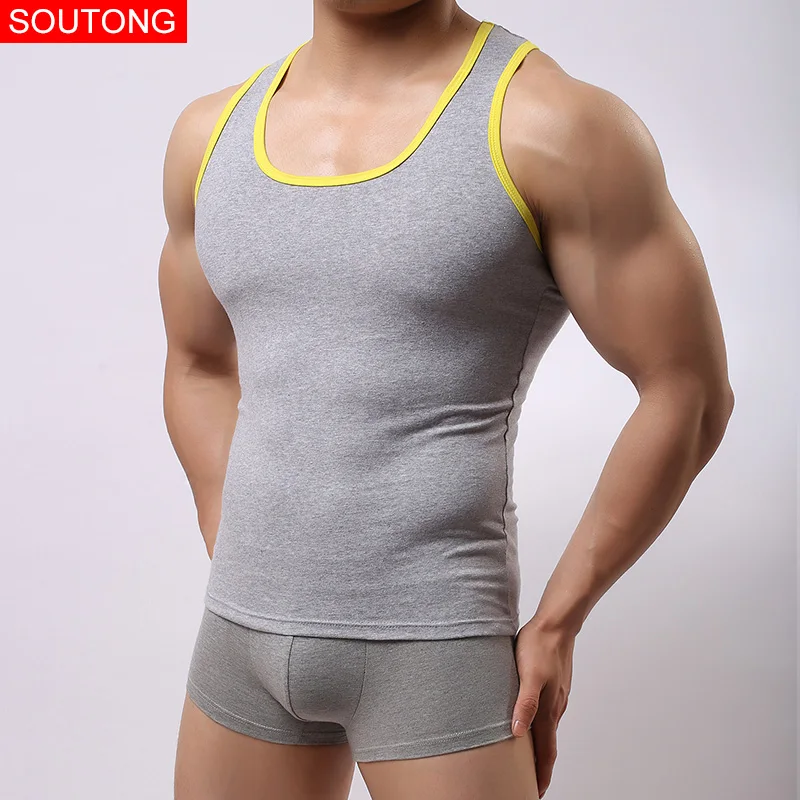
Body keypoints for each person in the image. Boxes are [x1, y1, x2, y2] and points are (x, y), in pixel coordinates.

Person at [158, 1, 735, 798]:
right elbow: (195, 361)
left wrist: (560, 620)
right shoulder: (207, 136)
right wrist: (228, 522)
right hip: (239, 641)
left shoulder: (555, 127)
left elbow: (688, 389)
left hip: (437, 648)